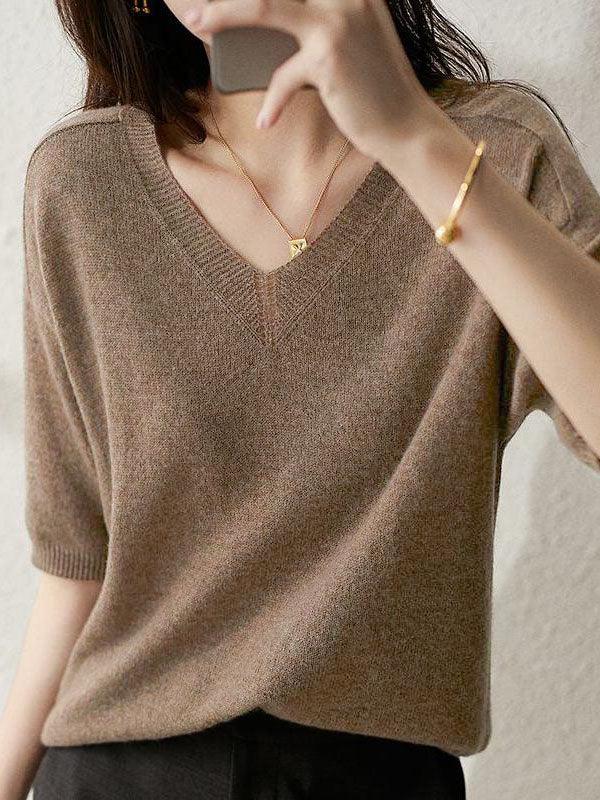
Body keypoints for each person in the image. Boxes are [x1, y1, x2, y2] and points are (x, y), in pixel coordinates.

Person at [2, 0, 600, 798]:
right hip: (118, 768)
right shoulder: (83, 182)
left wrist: (409, 136)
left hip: (376, 777)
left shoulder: (503, 153)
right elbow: (79, 565)